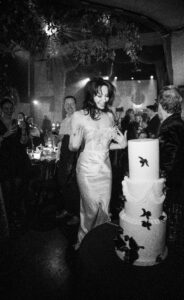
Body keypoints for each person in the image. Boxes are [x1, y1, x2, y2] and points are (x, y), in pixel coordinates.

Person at [69, 77, 127, 248]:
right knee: (91, 208)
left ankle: (99, 240)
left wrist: (122, 144)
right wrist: (74, 144)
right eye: (99, 95)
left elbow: (107, 145)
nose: (104, 99)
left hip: (105, 167)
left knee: (104, 207)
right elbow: (73, 147)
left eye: (107, 96)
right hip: (87, 168)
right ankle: (84, 241)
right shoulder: (78, 116)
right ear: (91, 95)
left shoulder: (110, 115)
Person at [158, 85, 184, 242]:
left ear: (162, 105)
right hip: (181, 182)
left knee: (170, 222)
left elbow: (170, 162)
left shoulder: (169, 127)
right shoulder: (179, 123)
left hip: (173, 184)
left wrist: (162, 180)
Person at [0, 98, 31, 222]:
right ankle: (9, 215)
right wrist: (4, 135)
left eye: (10, 108)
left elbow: (23, 142)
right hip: (4, 161)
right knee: (7, 188)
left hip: (18, 160)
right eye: (6, 108)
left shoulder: (16, 123)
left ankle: (17, 213)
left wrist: (23, 129)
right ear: (1, 109)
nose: (8, 110)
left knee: (18, 188)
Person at [56, 96, 80, 225]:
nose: (69, 106)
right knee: (63, 184)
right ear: (64, 106)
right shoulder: (65, 120)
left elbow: (77, 140)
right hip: (64, 156)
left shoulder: (79, 119)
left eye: (72, 104)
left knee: (73, 186)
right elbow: (61, 138)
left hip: (73, 156)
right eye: (67, 104)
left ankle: (76, 214)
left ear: (76, 105)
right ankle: (67, 209)